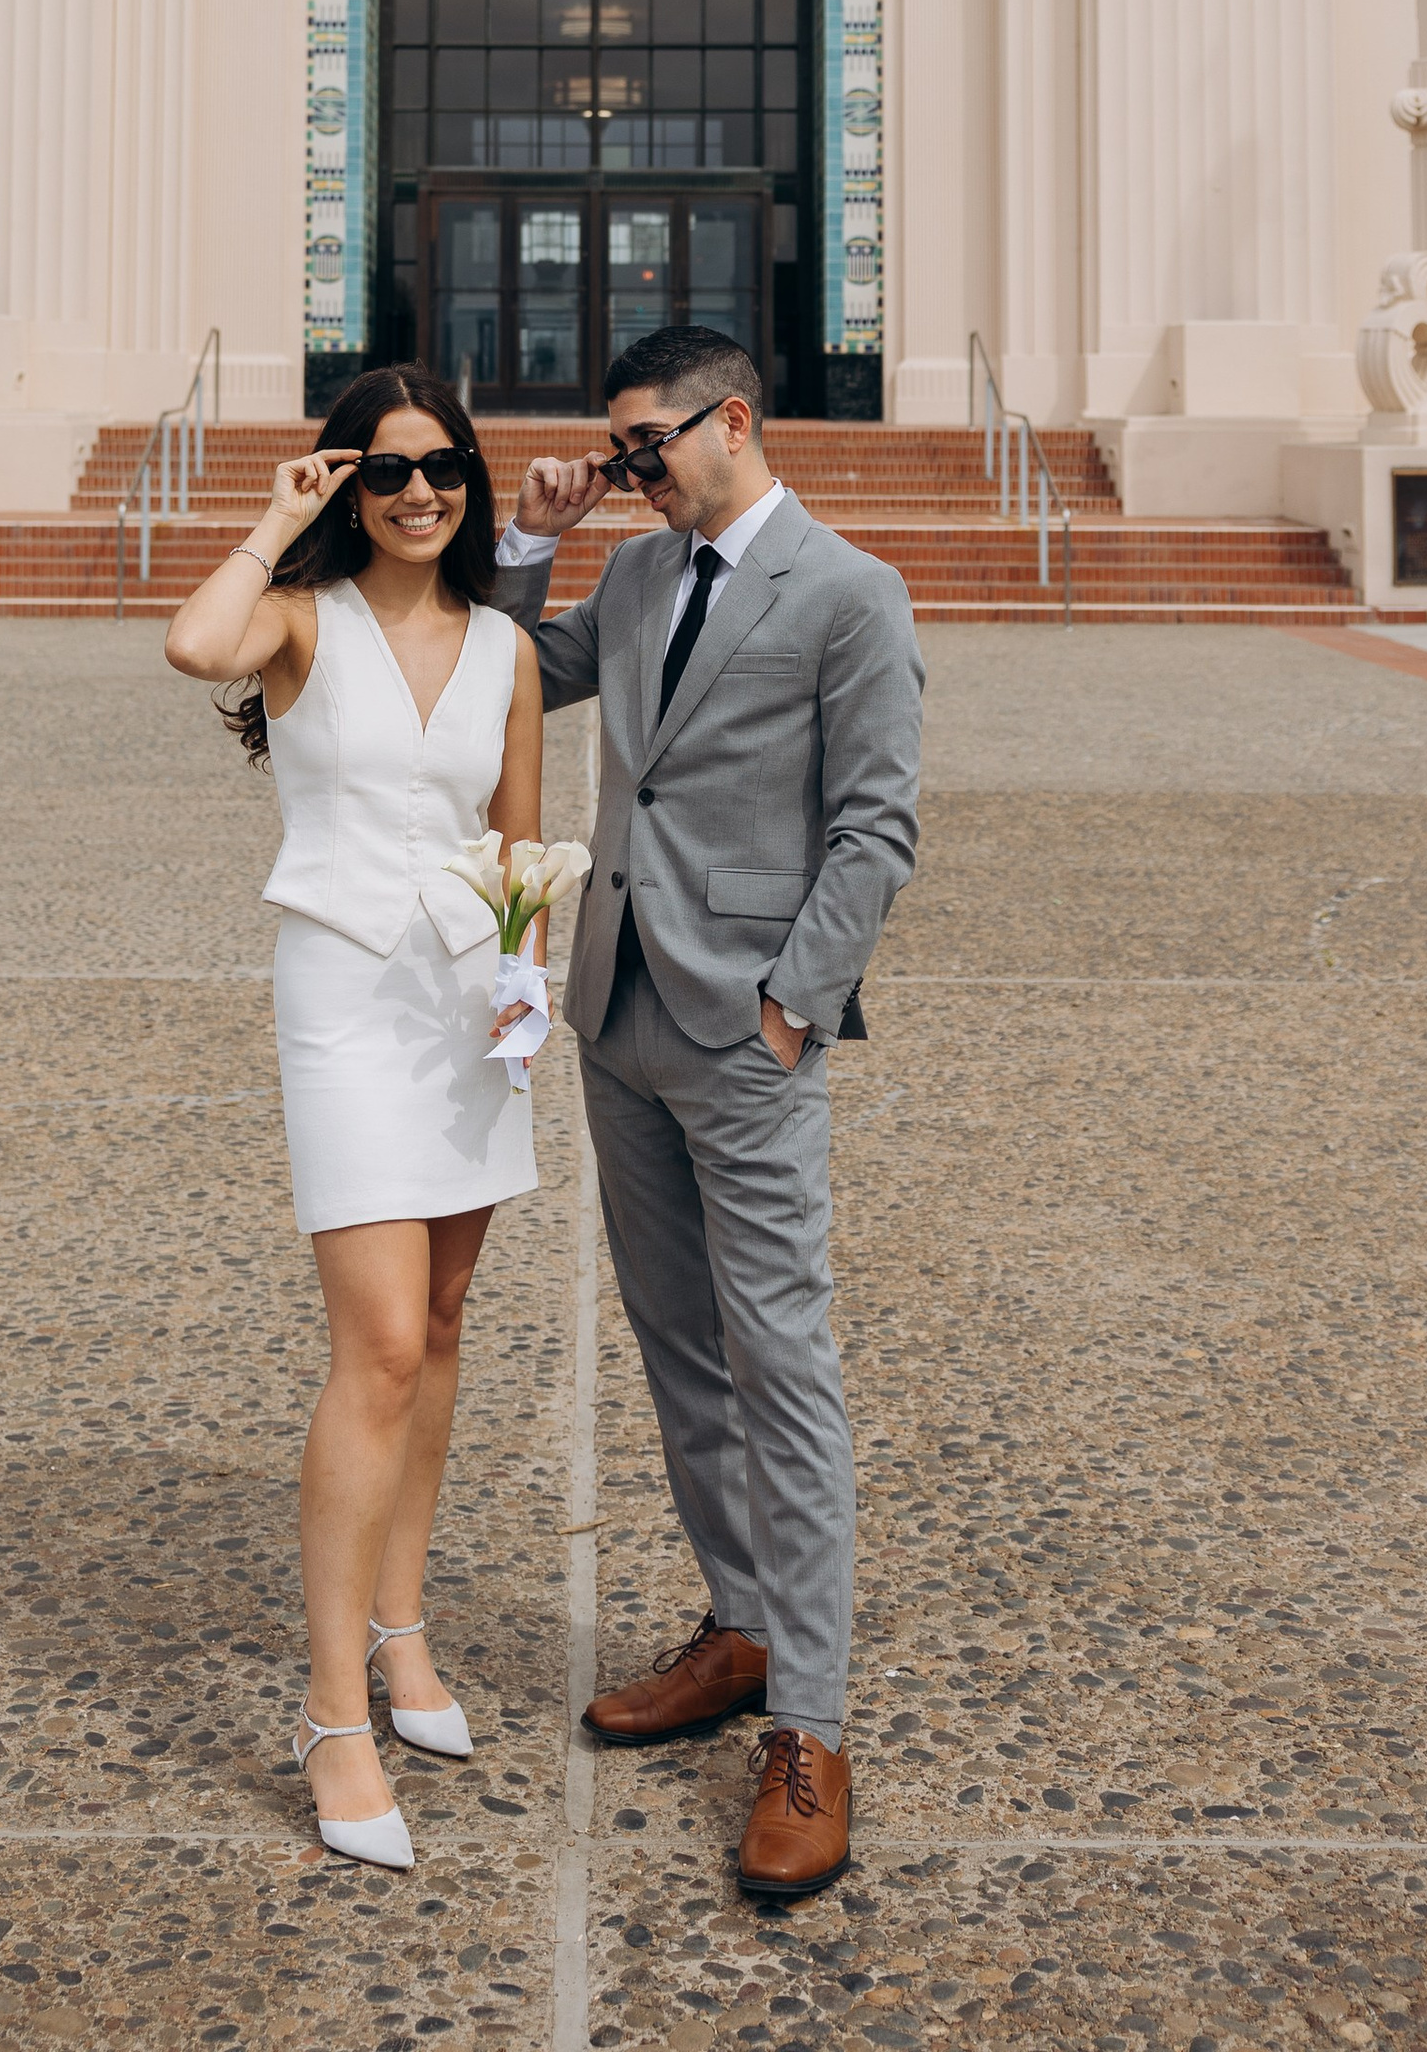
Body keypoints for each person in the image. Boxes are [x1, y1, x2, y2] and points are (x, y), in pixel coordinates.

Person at [496, 323, 921, 1901]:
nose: (628, 470)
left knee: (781, 1360)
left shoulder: (849, 592)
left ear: (728, 420)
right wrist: (539, 532)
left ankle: (808, 1721)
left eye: (638, 446)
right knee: (679, 1345)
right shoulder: (633, 579)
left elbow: (879, 822)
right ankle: (740, 1624)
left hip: (747, 1036)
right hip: (617, 1018)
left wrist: (791, 1004)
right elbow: (501, 680)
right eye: (614, 451)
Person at [164, 366, 547, 1876]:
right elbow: (194, 638)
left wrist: (523, 991)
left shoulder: (508, 643)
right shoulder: (298, 623)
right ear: (346, 481)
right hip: (341, 996)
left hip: (468, 1009)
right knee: (379, 1341)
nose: (416, 493)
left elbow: (519, 837)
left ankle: (405, 1632)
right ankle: (334, 1709)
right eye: (383, 471)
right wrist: (278, 514)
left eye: (442, 465)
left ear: (470, 476)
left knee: (445, 1321)